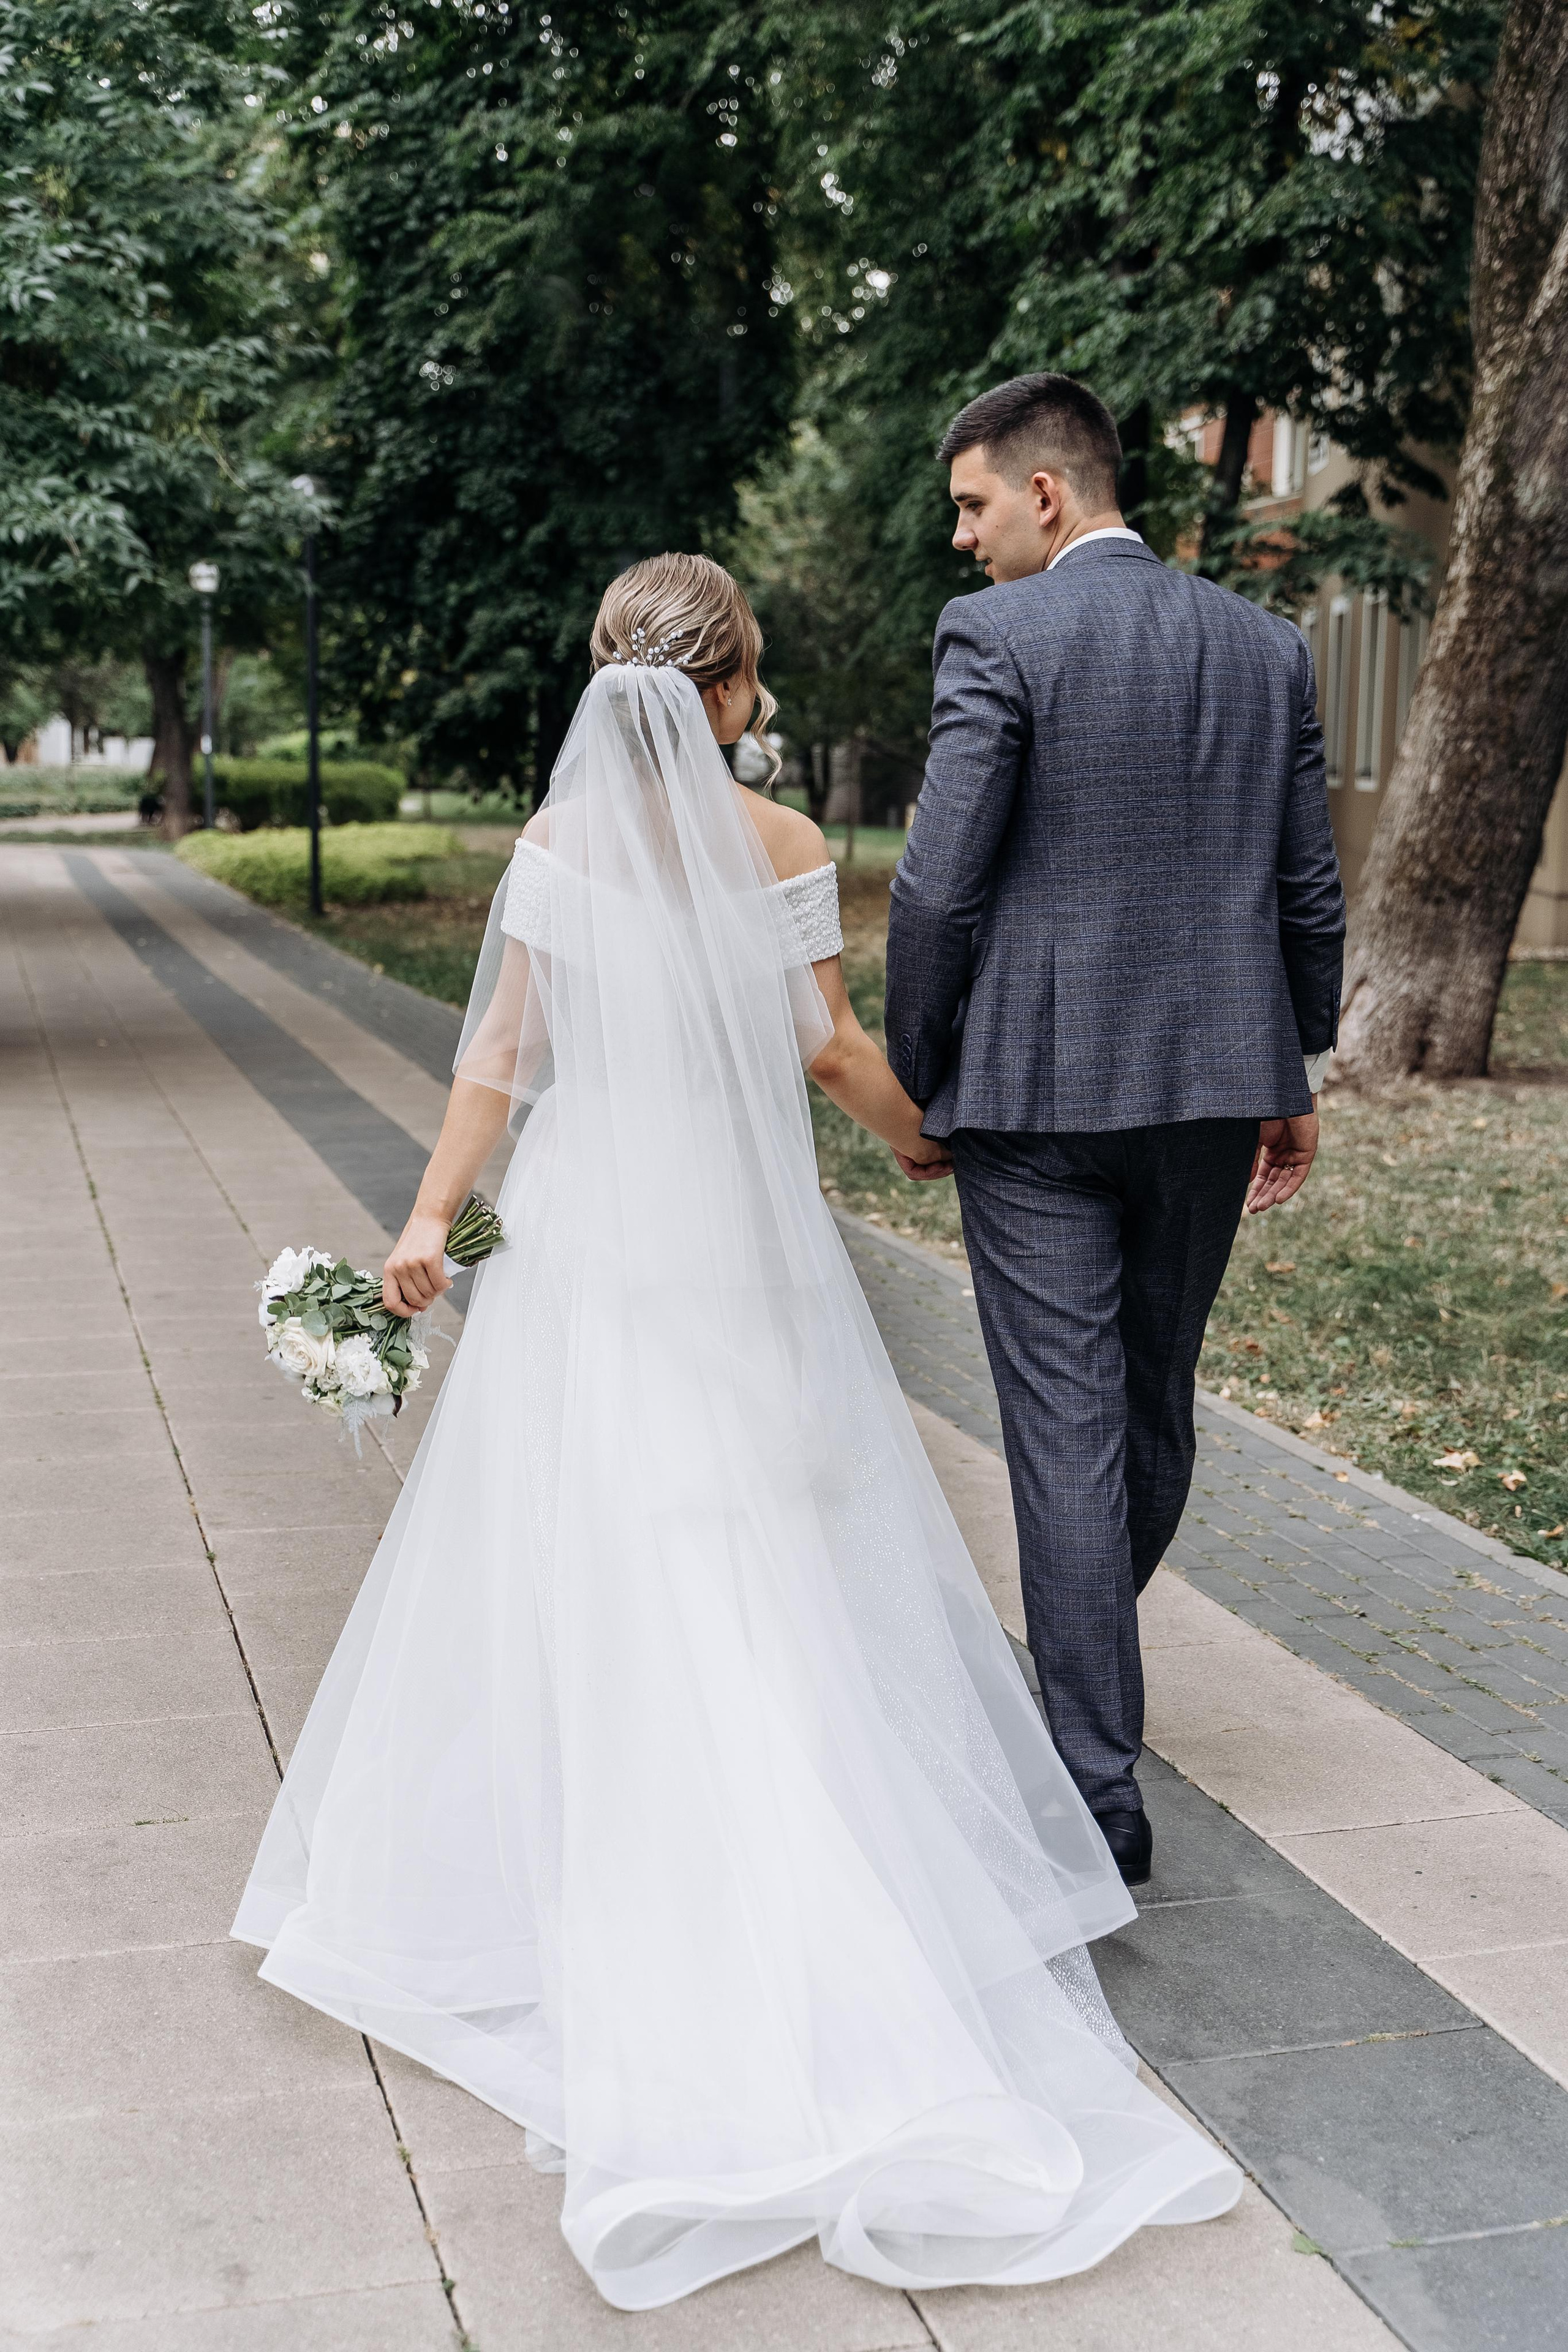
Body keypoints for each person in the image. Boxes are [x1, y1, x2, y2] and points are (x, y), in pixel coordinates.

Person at [233, 552, 1240, 2311]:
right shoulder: (780, 845)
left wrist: (427, 1218)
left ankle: (603, 1840)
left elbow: (499, 1060)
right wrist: (927, 1138)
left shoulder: (554, 849)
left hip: (589, 1235)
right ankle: (772, 1838)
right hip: (731, 1239)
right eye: (752, 672)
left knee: (593, 1527)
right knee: (752, 1531)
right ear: (721, 693)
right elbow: (825, 1045)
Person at [886, 374, 1346, 1888]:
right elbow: (1304, 886)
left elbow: (936, 886)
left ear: (1044, 493)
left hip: (1030, 1098)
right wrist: (1291, 1065)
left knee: (1066, 1434)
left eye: (970, 506)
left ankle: (1093, 1785)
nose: (962, 540)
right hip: (1212, 1086)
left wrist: (922, 1070)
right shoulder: (1264, 647)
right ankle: (1087, 1703)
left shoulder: (995, 637)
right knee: (1149, 1405)